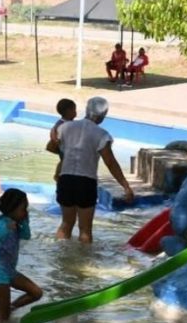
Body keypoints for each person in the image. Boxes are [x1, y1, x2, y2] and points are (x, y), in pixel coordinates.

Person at [55, 97, 134, 243]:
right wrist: (125, 186)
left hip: (65, 179)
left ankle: (59, 261)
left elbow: (55, 147)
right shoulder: (101, 135)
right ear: (103, 115)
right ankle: (84, 263)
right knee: (85, 229)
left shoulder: (65, 128)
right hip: (85, 182)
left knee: (66, 224)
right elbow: (110, 162)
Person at [0, 188, 42, 323]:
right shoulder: (1, 223)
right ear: (12, 208)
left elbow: (26, 236)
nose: (26, 211)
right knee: (4, 319)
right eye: (23, 209)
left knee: (36, 293)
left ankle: (9, 308)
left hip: (10, 271)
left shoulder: (16, 222)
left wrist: (25, 222)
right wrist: (6, 229)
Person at [45, 98, 77, 181]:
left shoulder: (61, 123)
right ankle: (58, 177)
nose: (76, 112)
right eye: (74, 110)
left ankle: (58, 177)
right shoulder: (66, 125)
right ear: (69, 111)